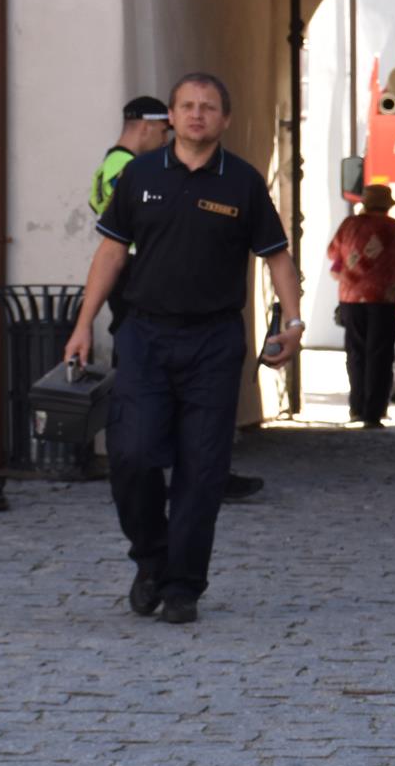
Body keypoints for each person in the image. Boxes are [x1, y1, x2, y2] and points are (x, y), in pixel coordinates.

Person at [63, 72, 302, 625]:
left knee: (203, 467)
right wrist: (83, 325)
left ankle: (183, 586)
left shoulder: (241, 182)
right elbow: (110, 254)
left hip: (215, 341)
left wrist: (292, 321)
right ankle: (150, 558)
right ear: (170, 116)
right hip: (144, 334)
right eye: (187, 106)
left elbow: (277, 256)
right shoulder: (140, 175)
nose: (197, 114)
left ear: (225, 119)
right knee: (133, 454)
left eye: (208, 107)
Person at [89, 94, 265, 503]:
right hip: (143, 280)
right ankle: (183, 467)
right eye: (167, 126)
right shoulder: (130, 170)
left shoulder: (108, 166)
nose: (170, 136)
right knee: (148, 385)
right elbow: (129, 233)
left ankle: (196, 466)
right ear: (150, 125)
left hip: (140, 279)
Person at [325, 178, 395, 428]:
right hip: (384, 299)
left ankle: (356, 408)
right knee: (380, 353)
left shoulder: (349, 225)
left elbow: (333, 254)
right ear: (387, 206)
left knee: (356, 352)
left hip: (351, 297)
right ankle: (374, 412)